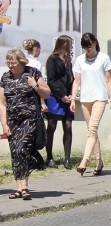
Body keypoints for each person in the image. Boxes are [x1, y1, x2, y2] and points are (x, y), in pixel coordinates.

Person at [0, 49, 51, 199]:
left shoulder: (32, 73)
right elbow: (2, 104)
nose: (10, 65)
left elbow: (47, 93)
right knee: (15, 153)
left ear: (21, 61)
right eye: (8, 62)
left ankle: (25, 186)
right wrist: (4, 124)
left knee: (22, 149)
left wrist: (34, 86)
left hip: (30, 119)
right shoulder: (5, 77)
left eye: (13, 62)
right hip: (13, 121)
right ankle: (20, 188)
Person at [70, 33, 111, 176]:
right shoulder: (79, 60)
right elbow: (76, 80)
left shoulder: (104, 58)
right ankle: (99, 162)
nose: (88, 50)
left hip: (99, 98)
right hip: (85, 98)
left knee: (92, 129)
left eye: (90, 46)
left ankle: (84, 161)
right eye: (85, 47)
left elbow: (109, 80)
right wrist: (72, 99)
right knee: (92, 131)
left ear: (95, 43)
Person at [44, 35, 75, 169]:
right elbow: (51, 80)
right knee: (51, 127)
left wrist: (70, 96)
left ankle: (67, 159)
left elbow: (71, 79)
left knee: (68, 126)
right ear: (63, 45)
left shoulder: (68, 60)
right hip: (55, 97)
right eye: (70, 44)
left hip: (67, 98)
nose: (72, 47)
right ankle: (49, 157)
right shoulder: (52, 59)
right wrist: (61, 95)